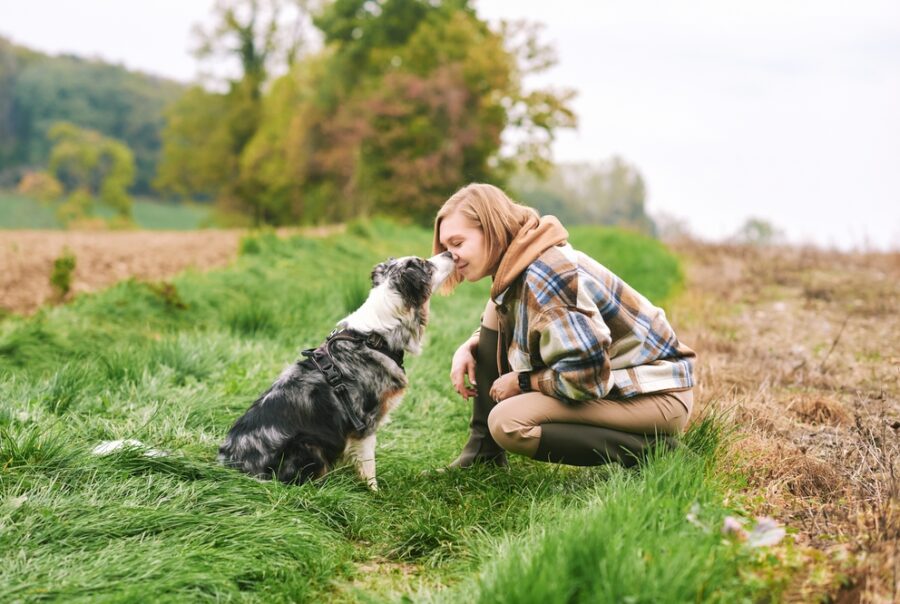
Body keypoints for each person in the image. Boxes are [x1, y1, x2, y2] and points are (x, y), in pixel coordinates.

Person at [433, 183, 696, 468]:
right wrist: (472, 345)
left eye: (457, 244)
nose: (450, 256)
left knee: (509, 422)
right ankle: (483, 454)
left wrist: (523, 382)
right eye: (446, 247)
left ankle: (658, 452)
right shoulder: (520, 268)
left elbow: (588, 378)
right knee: (493, 309)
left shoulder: (546, 279)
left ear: (492, 229)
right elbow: (521, 320)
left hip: (653, 396)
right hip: (622, 384)